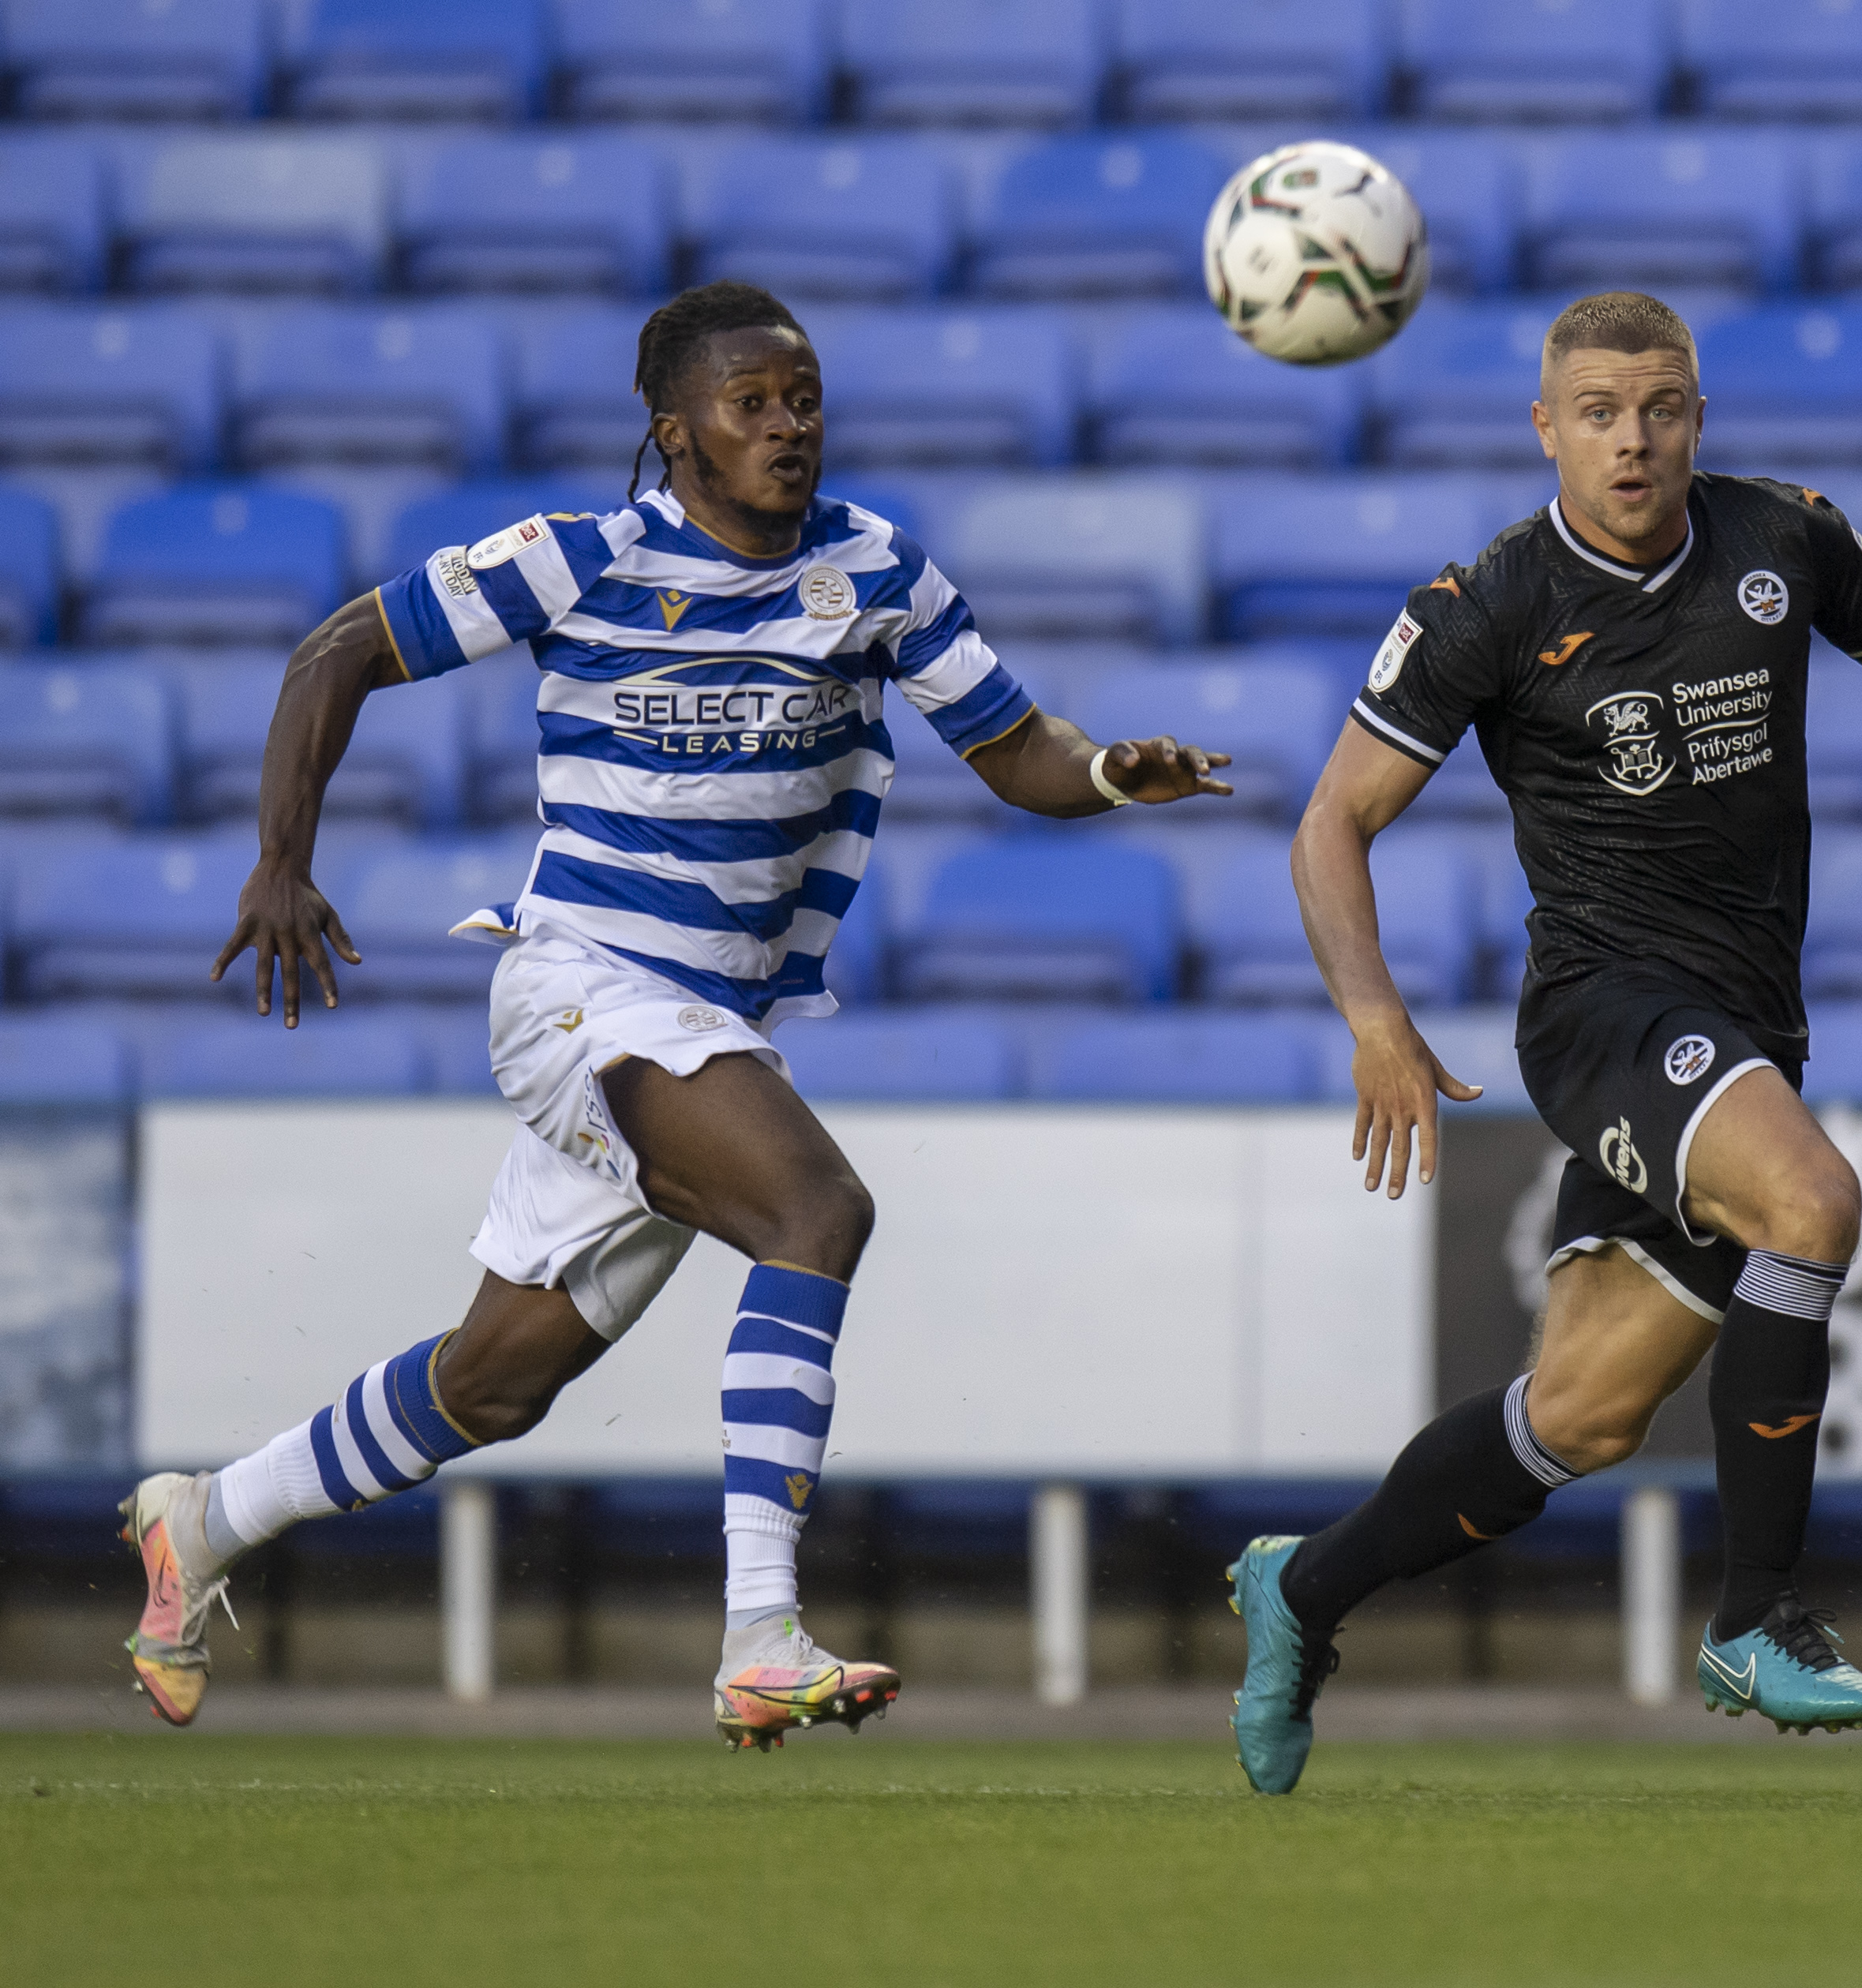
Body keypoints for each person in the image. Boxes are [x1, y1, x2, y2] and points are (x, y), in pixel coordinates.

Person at [118, 280, 1233, 1749]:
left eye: (805, 399)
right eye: (751, 404)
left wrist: (1105, 777)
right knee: (817, 1211)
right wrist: (280, 860)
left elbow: (1015, 745)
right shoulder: (578, 561)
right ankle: (759, 1634)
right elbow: (339, 652)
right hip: (581, 987)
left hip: (710, 1024)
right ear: (675, 434)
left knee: (491, 1386)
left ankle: (204, 1522)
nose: (788, 427)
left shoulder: (878, 572)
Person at [1226, 290, 1862, 1793]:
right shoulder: (1486, 605)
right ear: (1546, 428)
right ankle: (1757, 1621)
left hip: (1745, 1023)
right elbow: (1333, 823)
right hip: (1603, 1010)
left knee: (1580, 1418)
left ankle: (1299, 1593)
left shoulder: (1786, 541)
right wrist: (1376, 1018)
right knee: (1814, 1203)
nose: (1632, 444)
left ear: (1698, 415)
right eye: (1599, 415)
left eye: (1662, 411)